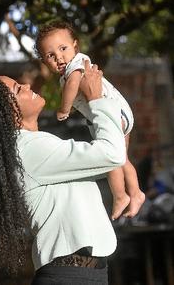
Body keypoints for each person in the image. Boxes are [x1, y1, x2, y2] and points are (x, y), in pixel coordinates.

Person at [0, 62, 126, 284]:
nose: (26, 85)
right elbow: (111, 154)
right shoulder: (28, 149)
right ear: (6, 113)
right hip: (70, 276)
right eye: (17, 89)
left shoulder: (31, 147)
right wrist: (96, 100)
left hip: (82, 274)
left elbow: (104, 161)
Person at [35, 21, 145, 220]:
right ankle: (135, 194)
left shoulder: (77, 64)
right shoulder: (66, 74)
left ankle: (120, 196)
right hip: (111, 113)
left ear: (75, 46)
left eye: (63, 48)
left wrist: (64, 108)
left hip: (112, 112)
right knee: (121, 158)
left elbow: (74, 84)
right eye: (50, 55)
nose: (59, 57)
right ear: (44, 62)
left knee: (109, 158)